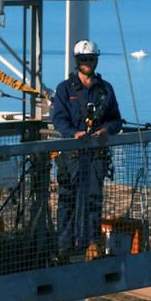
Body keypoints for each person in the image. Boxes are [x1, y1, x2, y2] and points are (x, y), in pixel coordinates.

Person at [51, 39, 123, 261]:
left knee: (93, 199)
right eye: (83, 59)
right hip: (71, 155)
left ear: (96, 60)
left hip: (95, 156)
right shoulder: (65, 89)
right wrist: (74, 133)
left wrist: (105, 130)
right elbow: (58, 119)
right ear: (77, 61)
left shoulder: (105, 90)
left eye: (91, 59)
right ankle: (64, 248)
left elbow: (116, 120)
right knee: (67, 200)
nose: (87, 63)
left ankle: (92, 245)